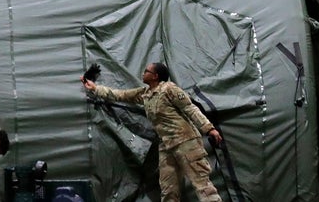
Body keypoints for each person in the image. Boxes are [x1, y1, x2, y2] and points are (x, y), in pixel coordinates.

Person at [82, 62, 223, 202]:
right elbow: (121, 95)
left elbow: (190, 109)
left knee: (202, 185)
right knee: (168, 190)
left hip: (186, 142)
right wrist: (95, 88)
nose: (143, 73)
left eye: (146, 71)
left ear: (155, 76)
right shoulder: (146, 94)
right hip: (166, 146)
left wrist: (209, 129)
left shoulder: (169, 89)